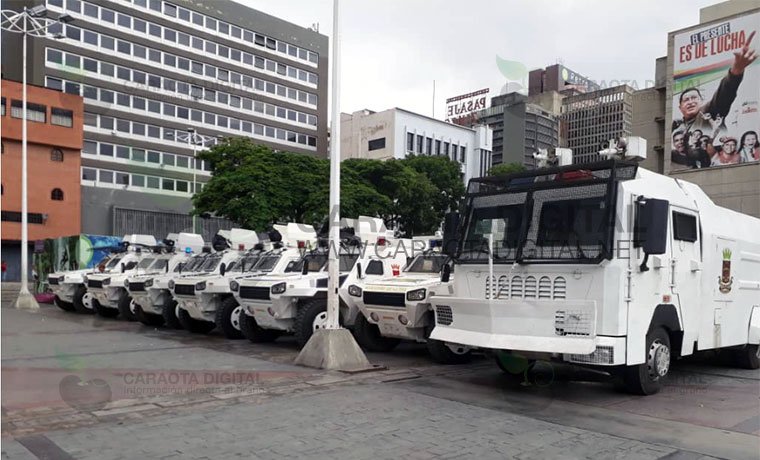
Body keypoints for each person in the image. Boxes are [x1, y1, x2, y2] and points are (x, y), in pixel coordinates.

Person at [673, 31, 756, 135]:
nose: (690, 102)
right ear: (680, 107)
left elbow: (724, 95)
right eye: (686, 100)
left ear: (701, 101)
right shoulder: (677, 130)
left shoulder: (708, 113)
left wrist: (736, 71)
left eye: (694, 98)